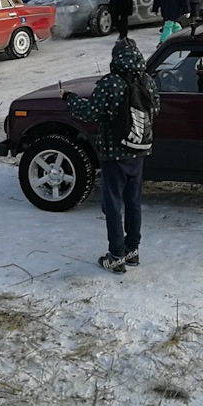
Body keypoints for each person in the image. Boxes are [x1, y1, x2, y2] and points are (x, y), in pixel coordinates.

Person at [63, 39, 158, 273]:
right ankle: (132, 251)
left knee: (113, 204)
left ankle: (116, 256)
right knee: (133, 202)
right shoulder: (147, 80)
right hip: (139, 150)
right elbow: (155, 108)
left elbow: (89, 112)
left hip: (113, 153)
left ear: (116, 58)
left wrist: (70, 99)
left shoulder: (111, 83)